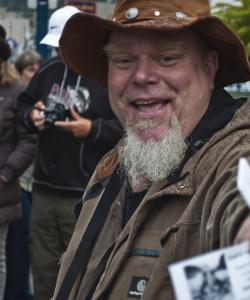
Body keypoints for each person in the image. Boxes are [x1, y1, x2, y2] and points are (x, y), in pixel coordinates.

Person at [52, 0, 250, 299]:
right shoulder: (117, 161)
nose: (142, 76)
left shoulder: (245, 146)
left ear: (209, 66)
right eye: (124, 60)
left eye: (167, 58)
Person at [17, 5, 122, 300]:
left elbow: (129, 126)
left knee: (84, 271)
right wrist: (32, 116)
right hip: (44, 189)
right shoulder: (48, 71)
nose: (61, 52)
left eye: (65, 45)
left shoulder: (105, 76)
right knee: (43, 269)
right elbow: (22, 105)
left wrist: (93, 129)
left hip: (87, 191)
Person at [0, 26, 36, 300]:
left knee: (3, 257)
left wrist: (6, 173)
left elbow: (28, 140)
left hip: (4, 188)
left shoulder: (17, 91)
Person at [5, 50, 42, 300]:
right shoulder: (21, 98)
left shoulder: (31, 98)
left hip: (25, 185)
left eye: (38, 70)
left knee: (20, 246)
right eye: (30, 70)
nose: (35, 75)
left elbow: (28, 142)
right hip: (21, 182)